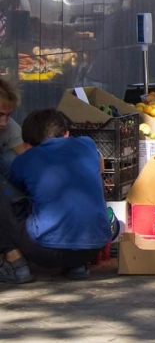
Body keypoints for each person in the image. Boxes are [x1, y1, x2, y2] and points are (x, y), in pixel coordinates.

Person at [1, 109, 114, 282]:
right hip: (93, 247)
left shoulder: (25, 159)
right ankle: (77, 266)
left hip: (43, 250)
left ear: (26, 144)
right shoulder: (87, 144)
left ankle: (15, 264)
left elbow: (14, 199)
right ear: (67, 134)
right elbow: (99, 164)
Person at [0, 79, 27, 181]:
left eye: (8, 115)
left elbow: (27, 156)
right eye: (0, 114)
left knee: (12, 158)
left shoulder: (11, 127)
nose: (4, 123)